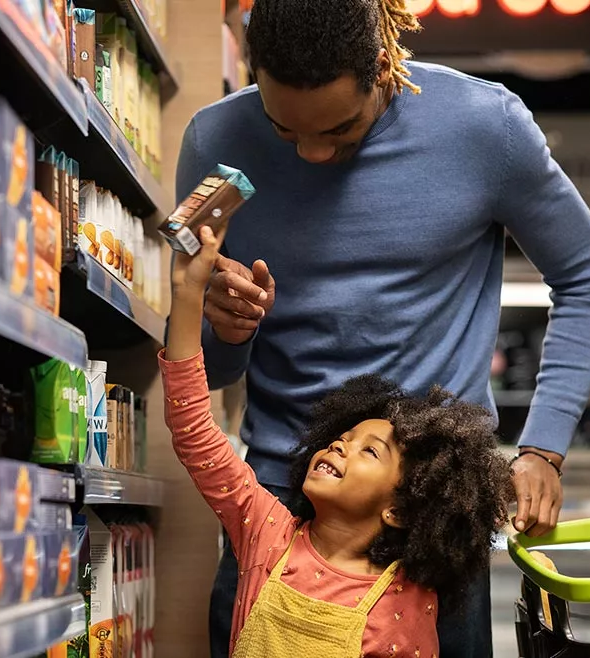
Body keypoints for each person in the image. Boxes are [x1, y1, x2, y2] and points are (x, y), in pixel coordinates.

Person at [173, 0, 590, 655]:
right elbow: (208, 367)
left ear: (383, 68)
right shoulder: (213, 143)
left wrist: (543, 448)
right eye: (283, 130)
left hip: (430, 511)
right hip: (278, 504)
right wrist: (226, 327)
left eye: (340, 128)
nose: (313, 152)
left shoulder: (485, 127)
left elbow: (589, 276)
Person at [162, 225, 514, 657]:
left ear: (399, 511)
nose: (339, 446)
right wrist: (187, 292)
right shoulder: (266, 532)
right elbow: (193, 428)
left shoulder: (406, 605)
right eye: (343, 438)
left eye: (370, 450)